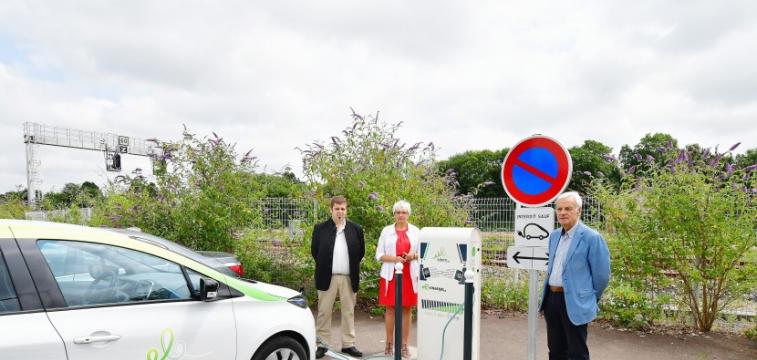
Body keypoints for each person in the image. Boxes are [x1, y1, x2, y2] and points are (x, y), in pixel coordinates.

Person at [540, 191, 611, 360]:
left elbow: (602, 276)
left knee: (577, 353)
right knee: (556, 350)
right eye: (559, 209)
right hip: (552, 299)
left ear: (578, 211)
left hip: (575, 301)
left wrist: (588, 298)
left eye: (568, 209)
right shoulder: (554, 235)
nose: (562, 212)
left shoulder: (592, 238)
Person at [311, 196, 366, 358]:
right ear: (331, 210)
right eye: (337, 209)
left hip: (349, 278)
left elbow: (360, 253)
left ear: (346, 210)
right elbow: (315, 252)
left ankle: (348, 344)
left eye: (343, 209)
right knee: (323, 312)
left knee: (348, 312)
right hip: (327, 277)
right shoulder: (320, 228)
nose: (340, 212)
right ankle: (322, 344)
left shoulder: (356, 229)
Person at [375, 200, 420, 358]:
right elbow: (379, 255)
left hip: (409, 274)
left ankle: (404, 345)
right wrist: (395, 259)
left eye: (404, 212)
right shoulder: (386, 231)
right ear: (394, 214)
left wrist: (412, 255)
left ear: (408, 214)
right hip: (390, 275)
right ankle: (389, 343)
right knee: (390, 308)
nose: (401, 215)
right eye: (398, 212)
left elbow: (423, 252)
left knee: (407, 309)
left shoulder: (415, 231)